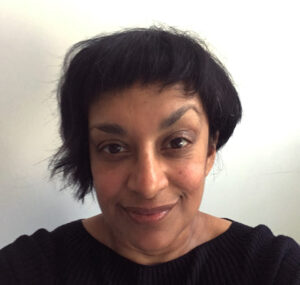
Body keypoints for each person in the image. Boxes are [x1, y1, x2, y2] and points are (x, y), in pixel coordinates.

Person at [0, 26, 299, 285]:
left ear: (209, 150)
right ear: (88, 156)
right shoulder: (29, 268)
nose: (148, 184)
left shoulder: (272, 268)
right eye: (114, 147)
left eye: (177, 142)